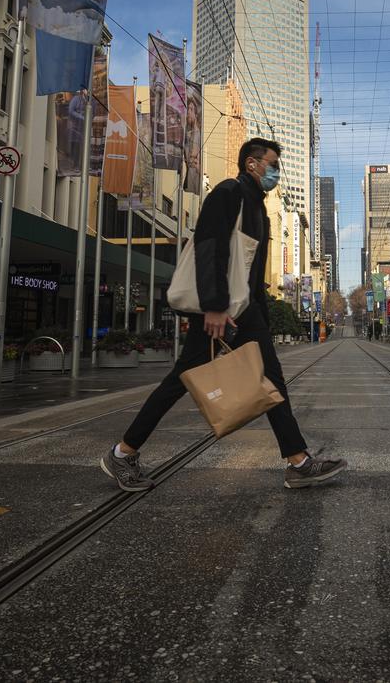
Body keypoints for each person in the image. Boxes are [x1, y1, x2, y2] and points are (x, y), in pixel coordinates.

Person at [100, 138, 347, 491]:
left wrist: (259, 314)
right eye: (273, 164)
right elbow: (209, 246)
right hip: (220, 309)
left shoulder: (258, 207)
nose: (276, 171)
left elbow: (251, 269)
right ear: (252, 163)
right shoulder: (229, 193)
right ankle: (123, 452)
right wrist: (213, 306)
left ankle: (298, 461)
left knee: (273, 381)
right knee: (181, 380)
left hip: (246, 310)